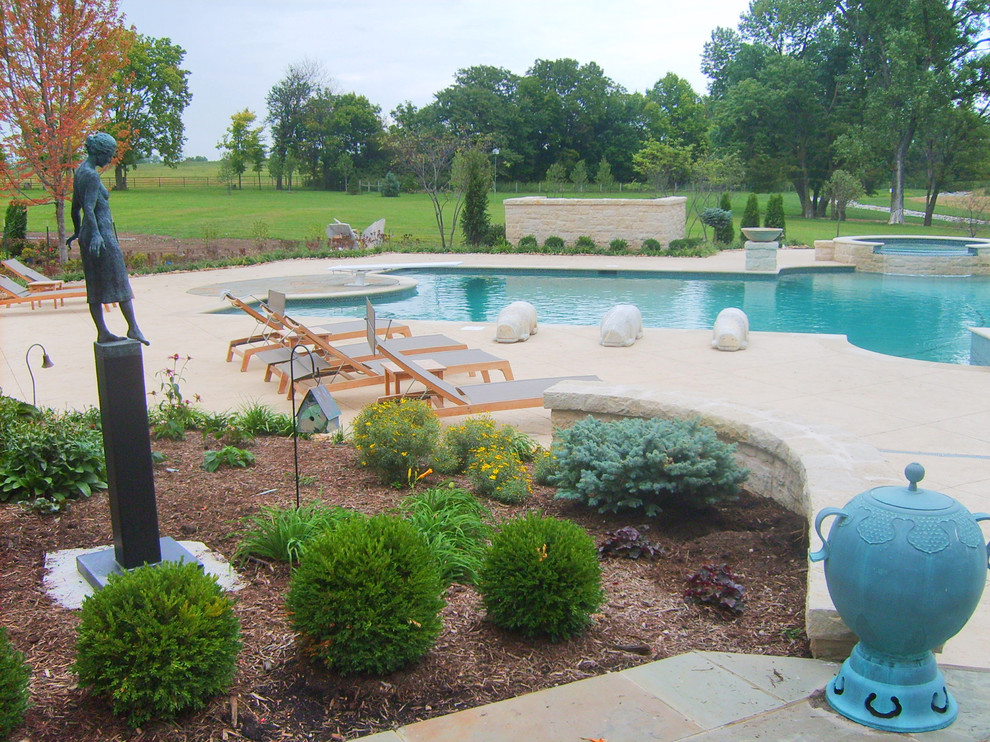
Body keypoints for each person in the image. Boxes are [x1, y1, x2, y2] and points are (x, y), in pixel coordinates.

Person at [67, 132, 149, 345]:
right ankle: (133, 328)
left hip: (89, 235)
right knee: (120, 280)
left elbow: (75, 208)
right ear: (99, 152)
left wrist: (78, 231)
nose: (111, 159)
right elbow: (88, 207)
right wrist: (96, 234)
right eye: (109, 154)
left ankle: (103, 332)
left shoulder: (80, 171)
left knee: (94, 285)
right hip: (101, 235)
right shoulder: (92, 176)